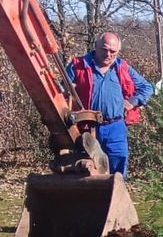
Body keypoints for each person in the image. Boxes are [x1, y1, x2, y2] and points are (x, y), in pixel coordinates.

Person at [66, 31, 154, 177]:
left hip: (115, 128)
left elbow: (147, 87)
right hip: (86, 127)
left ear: (118, 52)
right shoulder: (78, 66)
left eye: (112, 51)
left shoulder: (122, 68)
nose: (108, 54)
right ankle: (92, 199)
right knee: (87, 169)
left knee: (118, 169)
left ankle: (115, 198)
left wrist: (133, 101)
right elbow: (61, 90)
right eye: (104, 49)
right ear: (96, 46)